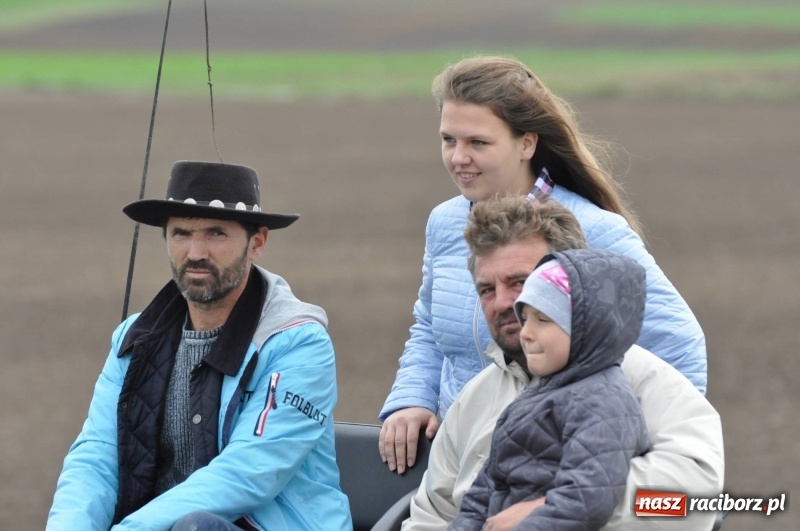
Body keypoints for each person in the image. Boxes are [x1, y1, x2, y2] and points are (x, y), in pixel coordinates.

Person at [379, 55, 706, 474]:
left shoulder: (593, 231)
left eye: (478, 142)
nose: (458, 157)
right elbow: (429, 327)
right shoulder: (444, 224)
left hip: (553, 476)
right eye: (448, 140)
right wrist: (411, 399)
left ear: (527, 143)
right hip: (458, 465)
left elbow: (679, 344)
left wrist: (629, 457)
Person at [46, 161, 352, 531]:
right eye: (181, 234)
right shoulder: (134, 337)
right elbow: (96, 457)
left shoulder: (299, 344)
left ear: (257, 243)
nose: (195, 252)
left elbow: (248, 473)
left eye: (216, 233)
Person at [403, 196, 724, 530]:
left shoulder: (646, 383)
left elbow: (690, 502)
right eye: (486, 289)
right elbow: (432, 516)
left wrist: (553, 510)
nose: (501, 303)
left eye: (519, 282)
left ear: (576, 282)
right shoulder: (473, 400)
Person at [450, 248, 650, 530]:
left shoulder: (603, 402)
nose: (526, 333)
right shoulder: (537, 394)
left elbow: (586, 500)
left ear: (587, 327)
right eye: (525, 318)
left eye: (543, 320)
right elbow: (483, 493)